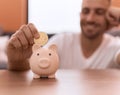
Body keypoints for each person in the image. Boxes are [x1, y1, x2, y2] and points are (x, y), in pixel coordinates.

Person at [6, 0, 120, 70]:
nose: (90, 19)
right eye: (85, 11)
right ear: (80, 15)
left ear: (110, 17)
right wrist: (17, 61)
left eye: (99, 12)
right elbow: (33, 70)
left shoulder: (115, 46)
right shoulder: (61, 42)